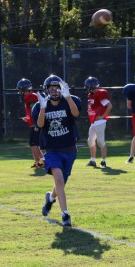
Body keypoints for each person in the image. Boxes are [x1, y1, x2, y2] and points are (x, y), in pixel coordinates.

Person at [32, 75, 80, 227]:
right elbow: (39, 125)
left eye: (57, 88)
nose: (54, 91)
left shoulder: (69, 100)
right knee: (58, 180)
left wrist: (68, 97)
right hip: (52, 150)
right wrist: (43, 108)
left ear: (62, 89)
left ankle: (50, 199)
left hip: (70, 149)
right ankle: (65, 214)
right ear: (47, 90)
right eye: (51, 89)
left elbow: (76, 114)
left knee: (61, 184)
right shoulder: (40, 105)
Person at [84, 76, 112, 168]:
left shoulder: (100, 93)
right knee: (90, 141)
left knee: (100, 142)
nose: (87, 88)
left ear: (92, 86)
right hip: (93, 121)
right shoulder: (90, 95)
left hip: (100, 121)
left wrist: (102, 116)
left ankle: (103, 161)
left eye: (88, 86)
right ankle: (93, 160)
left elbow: (109, 106)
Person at [16, 78, 44, 168]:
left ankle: (38, 162)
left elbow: (35, 110)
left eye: (21, 89)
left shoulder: (31, 96)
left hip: (36, 124)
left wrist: (35, 123)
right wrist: (28, 118)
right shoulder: (31, 96)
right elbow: (33, 111)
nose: (21, 92)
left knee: (33, 143)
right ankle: (42, 161)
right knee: (35, 143)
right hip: (34, 123)